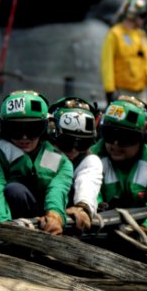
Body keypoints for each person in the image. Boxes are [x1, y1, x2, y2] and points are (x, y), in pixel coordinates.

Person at [0, 90, 73, 234]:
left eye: (32, 129)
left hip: (40, 215)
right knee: (14, 190)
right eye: (16, 129)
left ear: (45, 128)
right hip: (8, 214)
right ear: (4, 128)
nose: (24, 137)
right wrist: (2, 223)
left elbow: (57, 191)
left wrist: (55, 216)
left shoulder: (61, 162)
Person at [91, 95, 147, 237]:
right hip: (101, 229)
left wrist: (145, 229)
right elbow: (89, 193)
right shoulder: (93, 157)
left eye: (125, 138)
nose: (115, 144)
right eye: (110, 135)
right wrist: (97, 206)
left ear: (142, 138)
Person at [49, 96, 102, 233]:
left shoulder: (90, 160)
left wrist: (82, 207)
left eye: (81, 144)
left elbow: (88, 183)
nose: (73, 150)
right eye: (66, 143)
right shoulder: (45, 152)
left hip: (70, 211)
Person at [100, 0, 147, 104]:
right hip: (122, 92)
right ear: (132, 14)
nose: (144, 19)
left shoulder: (141, 35)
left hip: (141, 92)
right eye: (142, 15)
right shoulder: (114, 34)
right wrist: (109, 90)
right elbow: (107, 64)